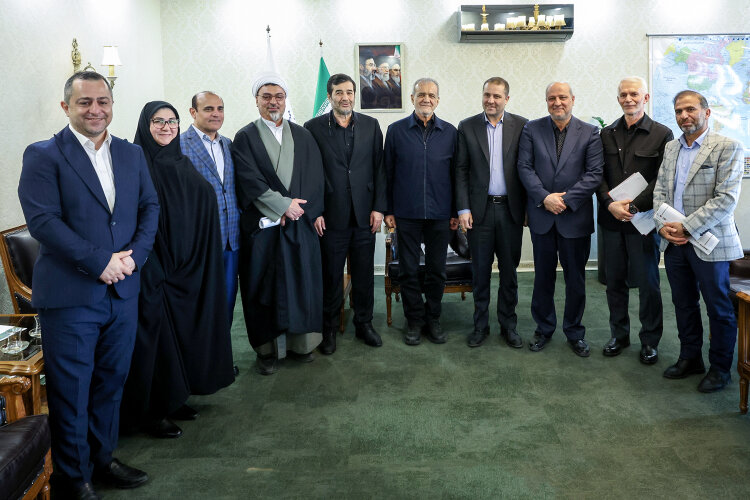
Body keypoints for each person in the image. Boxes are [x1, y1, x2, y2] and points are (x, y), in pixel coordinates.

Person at [17, 71, 159, 498]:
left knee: (111, 383)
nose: (95, 110)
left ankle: (103, 460)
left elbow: (149, 207)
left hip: (123, 290)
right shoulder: (43, 155)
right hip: (71, 295)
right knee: (72, 389)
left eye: (103, 101)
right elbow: (44, 222)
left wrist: (133, 258)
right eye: (85, 102)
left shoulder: (132, 153)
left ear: (112, 105)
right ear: (66, 107)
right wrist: (101, 263)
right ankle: (73, 476)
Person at [120, 101, 235, 439]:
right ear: (146, 124)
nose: (166, 127)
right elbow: (132, 218)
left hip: (186, 268)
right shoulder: (135, 164)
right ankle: (152, 411)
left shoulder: (180, 161)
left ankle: (176, 396)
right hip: (152, 269)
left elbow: (198, 200)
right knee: (156, 343)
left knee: (183, 335)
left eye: (172, 121)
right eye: (158, 121)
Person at [232, 72, 325, 375]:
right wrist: (283, 207)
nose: (273, 102)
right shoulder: (245, 137)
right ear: (256, 101)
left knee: (302, 285)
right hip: (264, 228)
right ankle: (267, 351)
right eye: (266, 97)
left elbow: (316, 177)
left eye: (279, 97)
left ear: (286, 100)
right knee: (264, 289)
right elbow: (247, 179)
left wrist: (301, 210)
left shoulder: (303, 135)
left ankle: (303, 345)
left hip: (300, 224)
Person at [654, 90, 744, 393]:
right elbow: (660, 192)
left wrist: (687, 227)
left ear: (706, 112)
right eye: (679, 111)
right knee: (683, 303)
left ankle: (720, 369)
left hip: (711, 243)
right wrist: (662, 226)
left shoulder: (727, 146)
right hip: (674, 243)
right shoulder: (671, 148)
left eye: (690, 109)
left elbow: (725, 199)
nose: (684, 116)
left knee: (718, 307)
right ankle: (690, 358)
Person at [517, 82, 604, 357]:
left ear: (572, 99)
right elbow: (524, 167)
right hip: (542, 217)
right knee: (542, 278)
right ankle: (543, 329)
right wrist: (545, 198)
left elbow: (594, 174)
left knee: (575, 279)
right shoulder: (531, 129)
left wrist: (563, 201)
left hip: (574, 218)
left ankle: (575, 332)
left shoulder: (590, 132)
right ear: (546, 101)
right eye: (552, 98)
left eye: (562, 97)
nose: (557, 102)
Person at [304, 74, 386, 354]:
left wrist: (378, 208)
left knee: (364, 275)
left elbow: (379, 169)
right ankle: (328, 329)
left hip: (364, 216)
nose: (345, 97)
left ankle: (364, 324)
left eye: (350, 92)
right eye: (339, 92)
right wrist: (315, 211)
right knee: (330, 277)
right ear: (329, 96)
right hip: (330, 217)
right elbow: (309, 173)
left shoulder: (371, 125)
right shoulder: (312, 128)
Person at [597, 77, 673, 364]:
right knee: (614, 282)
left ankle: (650, 341)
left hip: (643, 221)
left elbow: (662, 178)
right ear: (618, 98)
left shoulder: (662, 134)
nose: (628, 99)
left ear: (646, 97)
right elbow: (598, 174)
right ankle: (619, 335)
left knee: (648, 283)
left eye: (634, 94)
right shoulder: (606, 133)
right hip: (612, 220)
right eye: (623, 94)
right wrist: (610, 204)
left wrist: (634, 205)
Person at [455, 77, 528, 348]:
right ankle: (480, 326)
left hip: (510, 211)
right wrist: (463, 208)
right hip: (479, 213)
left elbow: (527, 169)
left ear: (507, 99)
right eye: (487, 95)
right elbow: (461, 170)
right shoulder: (467, 126)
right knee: (480, 273)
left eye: (497, 96)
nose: (491, 100)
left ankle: (509, 326)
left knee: (509, 273)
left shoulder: (523, 126)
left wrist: (528, 209)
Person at [384, 77, 458, 346]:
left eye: (431, 95)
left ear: (438, 100)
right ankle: (414, 320)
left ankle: (433, 319)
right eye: (421, 94)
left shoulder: (450, 133)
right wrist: (388, 209)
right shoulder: (395, 131)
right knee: (408, 270)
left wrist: (454, 211)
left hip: (440, 213)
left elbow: (456, 175)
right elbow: (387, 173)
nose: (426, 99)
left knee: (437, 270)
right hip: (406, 213)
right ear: (412, 98)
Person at [181, 91, 241, 327]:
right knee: (199, 306)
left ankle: (222, 351)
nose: (216, 114)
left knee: (227, 303)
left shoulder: (229, 144)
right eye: (208, 109)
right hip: (199, 242)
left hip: (231, 240)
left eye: (220, 109)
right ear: (193, 112)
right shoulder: (179, 145)